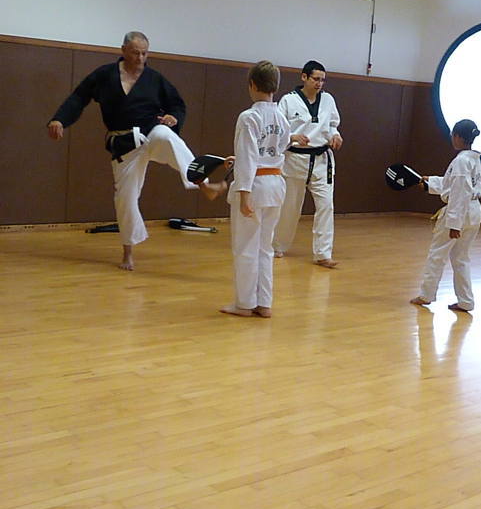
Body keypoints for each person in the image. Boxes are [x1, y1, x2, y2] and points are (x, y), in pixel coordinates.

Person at [47, 31, 223, 271]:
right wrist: (60, 119)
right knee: (125, 199)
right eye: (135, 53)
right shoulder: (104, 76)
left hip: (151, 132)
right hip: (124, 144)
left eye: (144, 53)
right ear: (123, 51)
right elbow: (79, 97)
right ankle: (128, 252)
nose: (140, 58)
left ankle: (203, 183)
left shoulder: (154, 79)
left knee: (168, 137)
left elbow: (177, 105)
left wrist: (173, 117)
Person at [220, 61, 291, 318]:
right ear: (275, 86)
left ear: (252, 84)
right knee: (265, 247)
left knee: (246, 247)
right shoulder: (282, 118)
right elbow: (278, 149)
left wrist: (244, 194)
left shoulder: (249, 117)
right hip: (275, 185)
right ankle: (264, 303)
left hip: (254, 186)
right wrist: (241, 160)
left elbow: (250, 157)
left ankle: (244, 304)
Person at [273, 60, 343, 268]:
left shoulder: (328, 100)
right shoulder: (288, 101)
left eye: (322, 80)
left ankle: (323, 254)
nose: (319, 83)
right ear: (304, 77)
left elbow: (332, 124)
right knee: (290, 207)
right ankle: (278, 245)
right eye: (316, 79)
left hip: (322, 159)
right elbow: (278, 131)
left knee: (326, 206)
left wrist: (335, 135)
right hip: (295, 159)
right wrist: (292, 137)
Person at [410, 119, 481, 313]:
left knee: (437, 254)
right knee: (461, 257)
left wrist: (454, 224)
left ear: (457, 136)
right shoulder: (473, 159)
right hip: (474, 211)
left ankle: (426, 294)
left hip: (460, 211)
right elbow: (456, 184)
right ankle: (466, 301)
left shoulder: (461, 161)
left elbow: (460, 191)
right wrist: (430, 182)